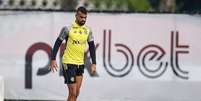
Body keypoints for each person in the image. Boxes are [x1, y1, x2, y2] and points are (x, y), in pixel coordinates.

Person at [50, 6, 96, 101]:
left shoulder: (88, 30)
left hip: (80, 63)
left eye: (85, 18)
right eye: (81, 17)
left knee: (77, 93)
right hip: (68, 62)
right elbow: (57, 43)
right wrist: (53, 58)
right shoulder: (67, 29)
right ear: (76, 16)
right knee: (73, 92)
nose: (83, 19)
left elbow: (92, 46)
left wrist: (94, 63)